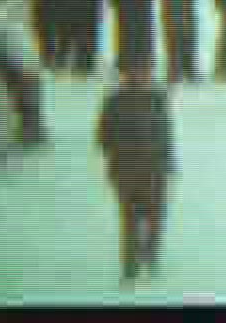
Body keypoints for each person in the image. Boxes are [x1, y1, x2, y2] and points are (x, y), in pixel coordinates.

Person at [95, 63, 176, 287]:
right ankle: (144, 260)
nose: (142, 76)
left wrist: (115, 154)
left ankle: (137, 263)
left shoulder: (115, 100)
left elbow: (102, 137)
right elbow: (165, 133)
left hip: (132, 169)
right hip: (146, 169)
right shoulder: (155, 99)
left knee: (135, 219)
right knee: (146, 217)